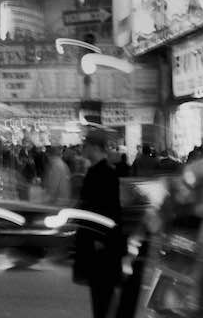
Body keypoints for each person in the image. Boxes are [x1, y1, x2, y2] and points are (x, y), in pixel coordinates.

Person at [73, 129, 123, 318]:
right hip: (99, 242)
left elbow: (109, 209)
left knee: (102, 295)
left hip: (100, 245)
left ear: (94, 147)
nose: (83, 150)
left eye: (85, 146)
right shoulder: (99, 171)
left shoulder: (103, 173)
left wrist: (99, 239)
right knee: (101, 294)